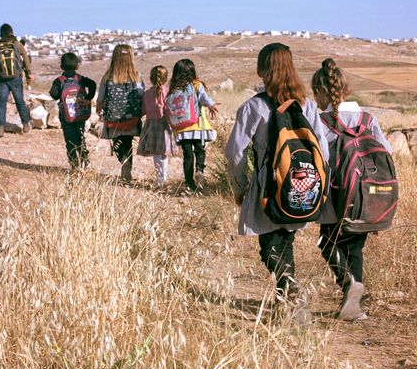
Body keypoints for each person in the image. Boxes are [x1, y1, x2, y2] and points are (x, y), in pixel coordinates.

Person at [225, 43, 329, 318]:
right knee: (285, 240)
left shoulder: (253, 107)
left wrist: (240, 187)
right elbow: (324, 151)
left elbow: (235, 152)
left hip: (267, 187)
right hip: (301, 188)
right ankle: (288, 300)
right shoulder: (307, 106)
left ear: (261, 70)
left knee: (269, 244)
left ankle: (290, 290)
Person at [311, 58, 393, 321]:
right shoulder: (368, 119)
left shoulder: (320, 121)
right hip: (366, 194)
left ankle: (348, 285)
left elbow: (319, 157)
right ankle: (354, 306)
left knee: (327, 242)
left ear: (320, 92)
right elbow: (387, 152)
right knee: (355, 246)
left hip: (334, 194)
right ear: (346, 89)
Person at [167, 59, 219, 192]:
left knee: (188, 155)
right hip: (197, 126)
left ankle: (189, 184)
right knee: (200, 150)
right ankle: (199, 170)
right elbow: (204, 97)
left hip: (182, 129)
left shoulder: (173, 88)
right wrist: (211, 105)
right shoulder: (196, 85)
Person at [96, 44, 143, 182]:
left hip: (113, 118)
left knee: (117, 142)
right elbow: (140, 94)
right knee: (127, 143)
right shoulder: (136, 76)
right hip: (131, 117)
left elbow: (101, 97)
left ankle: (123, 162)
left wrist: (99, 108)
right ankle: (127, 166)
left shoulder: (108, 76)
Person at [49, 52, 96, 171]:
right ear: (77, 66)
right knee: (80, 137)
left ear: (61, 67)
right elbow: (93, 84)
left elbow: (54, 95)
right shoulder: (80, 79)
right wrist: (88, 98)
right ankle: (85, 163)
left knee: (70, 140)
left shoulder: (59, 81)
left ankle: (74, 166)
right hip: (81, 115)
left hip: (66, 117)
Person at [0, 23, 32, 138]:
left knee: (2, 103)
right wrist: (28, 73)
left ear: (1, 33)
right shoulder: (16, 43)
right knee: (20, 101)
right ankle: (25, 125)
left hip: (2, 79)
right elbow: (26, 58)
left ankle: (0, 128)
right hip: (16, 77)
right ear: (12, 32)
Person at [136, 65, 176, 185]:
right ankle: (163, 178)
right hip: (164, 125)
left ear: (151, 78)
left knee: (156, 153)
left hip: (151, 125)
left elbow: (142, 111)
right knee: (164, 152)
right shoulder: (168, 92)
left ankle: (159, 178)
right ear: (165, 77)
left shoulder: (147, 94)